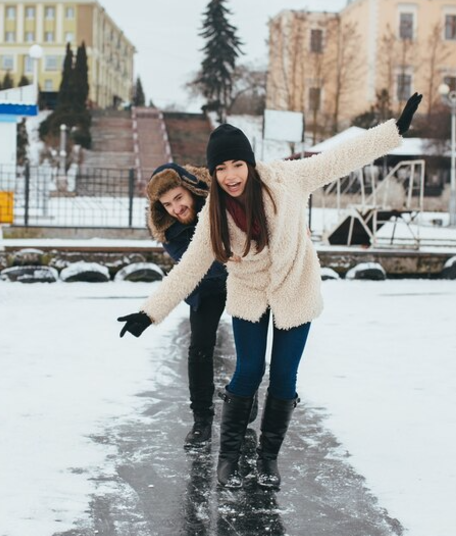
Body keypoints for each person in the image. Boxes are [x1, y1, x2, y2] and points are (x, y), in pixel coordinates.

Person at [119, 94, 422, 489]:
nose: (230, 176)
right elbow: (189, 268)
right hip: (249, 292)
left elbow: (339, 157)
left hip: (295, 286)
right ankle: (227, 458)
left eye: (237, 165)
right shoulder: (213, 211)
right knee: (248, 370)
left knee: (284, 376)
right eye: (221, 168)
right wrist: (149, 312)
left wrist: (392, 132)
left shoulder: (287, 179)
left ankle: (268, 459)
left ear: (249, 163)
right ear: (213, 171)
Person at [143, 163, 234, 449]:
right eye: (168, 204)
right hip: (205, 286)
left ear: (192, 191)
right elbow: (201, 268)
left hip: (242, 280)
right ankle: (202, 420)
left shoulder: (220, 204)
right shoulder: (169, 230)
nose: (175, 208)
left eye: (179, 199)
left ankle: (243, 395)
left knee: (251, 339)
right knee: (199, 348)